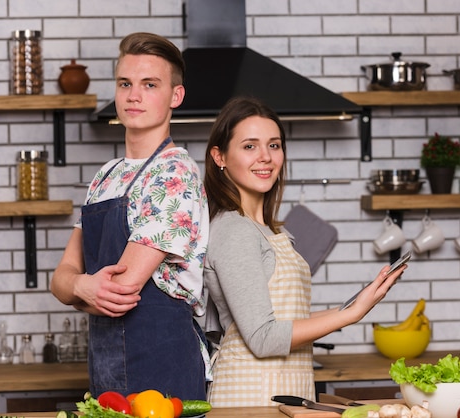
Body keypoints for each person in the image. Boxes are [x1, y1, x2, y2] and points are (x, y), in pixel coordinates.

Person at [203, 96, 407, 407]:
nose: (266, 157)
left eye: (274, 145)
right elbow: (263, 337)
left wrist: (355, 303)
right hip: (249, 401)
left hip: (284, 392)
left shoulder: (273, 230)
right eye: (249, 146)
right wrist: (351, 315)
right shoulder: (234, 230)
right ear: (220, 156)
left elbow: (284, 321)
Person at [50, 32, 210, 400]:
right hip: (106, 367)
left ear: (175, 96)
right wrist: (78, 286)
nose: (133, 95)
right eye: (125, 83)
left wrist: (78, 286)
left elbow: (120, 291)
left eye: (149, 84)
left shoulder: (175, 173)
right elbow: (60, 279)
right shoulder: (106, 176)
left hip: (163, 368)